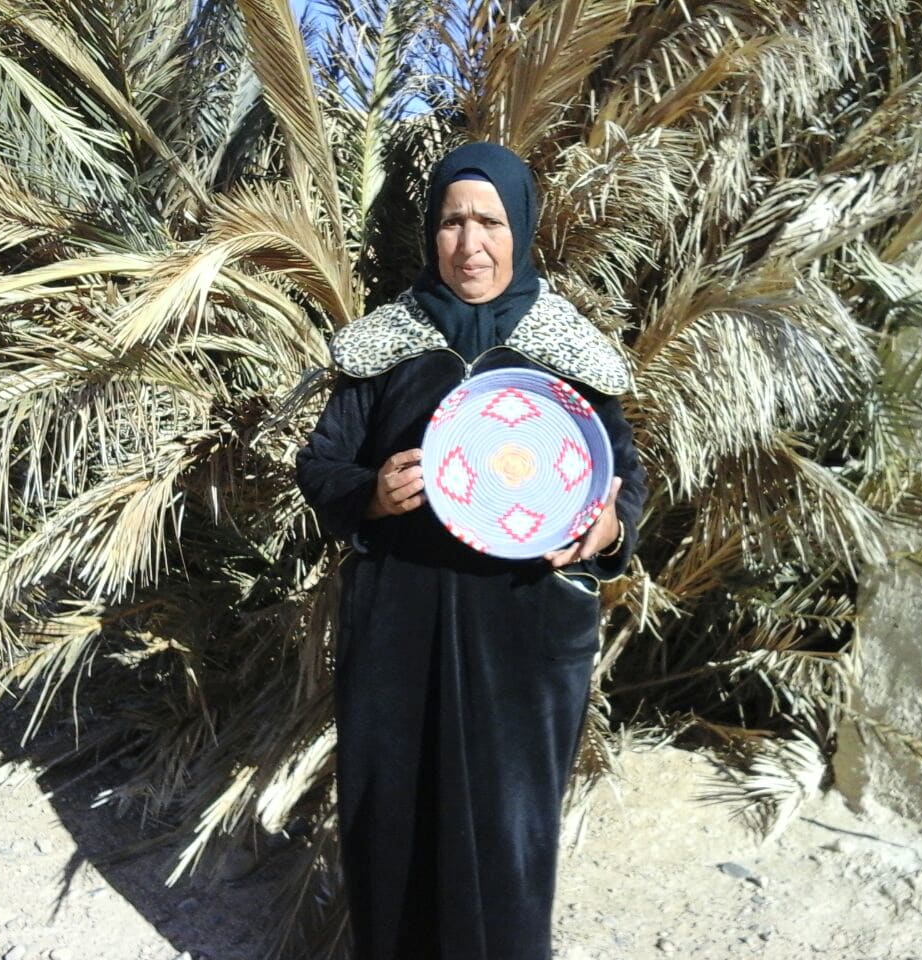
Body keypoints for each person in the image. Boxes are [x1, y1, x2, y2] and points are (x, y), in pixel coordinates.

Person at [295, 142, 647, 960]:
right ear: (432, 232)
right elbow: (320, 465)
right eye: (453, 221)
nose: (470, 242)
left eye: (489, 220)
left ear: (520, 228)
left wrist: (610, 524)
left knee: (507, 830)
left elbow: (624, 475)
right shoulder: (384, 346)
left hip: (527, 637)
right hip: (398, 627)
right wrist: (369, 494)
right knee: (393, 815)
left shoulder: (569, 349)